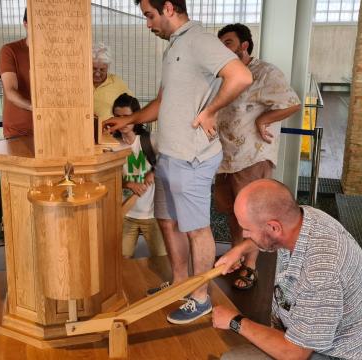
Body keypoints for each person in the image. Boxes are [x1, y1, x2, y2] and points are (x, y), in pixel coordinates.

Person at [104, 0, 252, 324]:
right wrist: (128, 122)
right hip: (170, 155)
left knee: (197, 230)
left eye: (149, 16)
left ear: (168, 8)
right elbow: (161, 101)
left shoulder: (199, 40)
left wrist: (210, 111)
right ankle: (181, 283)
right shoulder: (174, 46)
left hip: (192, 157)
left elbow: (240, 77)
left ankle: (201, 298)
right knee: (168, 222)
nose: (148, 24)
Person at [212, 179, 362, 360]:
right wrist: (239, 250)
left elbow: (295, 353)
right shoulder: (304, 217)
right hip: (306, 339)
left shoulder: (321, 273)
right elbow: (269, 236)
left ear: (273, 227)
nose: (244, 235)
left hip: (333, 355)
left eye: (247, 229)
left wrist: (235, 321)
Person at [214, 23, 301, 292]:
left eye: (228, 42)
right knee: (233, 213)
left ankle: (250, 266)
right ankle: (236, 255)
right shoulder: (222, 74)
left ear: (244, 45)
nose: (223, 48)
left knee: (254, 217)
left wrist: (264, 118)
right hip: (223, 158)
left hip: (252, 156)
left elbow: (292, 102)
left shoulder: (265, 73)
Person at [113, 93, 167, 259]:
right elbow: (106, 180)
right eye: (117, 117)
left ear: (137, 116)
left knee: (163, 260)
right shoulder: (111, 145)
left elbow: (174, 159)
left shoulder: (150, 140)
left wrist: (154, 172)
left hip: (153, 215)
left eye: (127, 117)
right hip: (126, 215)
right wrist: (127, 184)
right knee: (119, 261)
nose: (122, 122)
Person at [0, 9, 32, 139]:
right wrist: (34, 108)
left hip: (50, 127)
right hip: (19, 131)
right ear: (25, 24)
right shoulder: (10, 51)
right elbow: (10, 91)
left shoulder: (54, 54)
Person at [93, 43, 133, 144]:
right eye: (94, 68)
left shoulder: (117, 83)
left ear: (108, 67)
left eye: (102, 70)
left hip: (111, 137)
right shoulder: (78, 82)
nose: (97, 73)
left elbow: (132, 108)